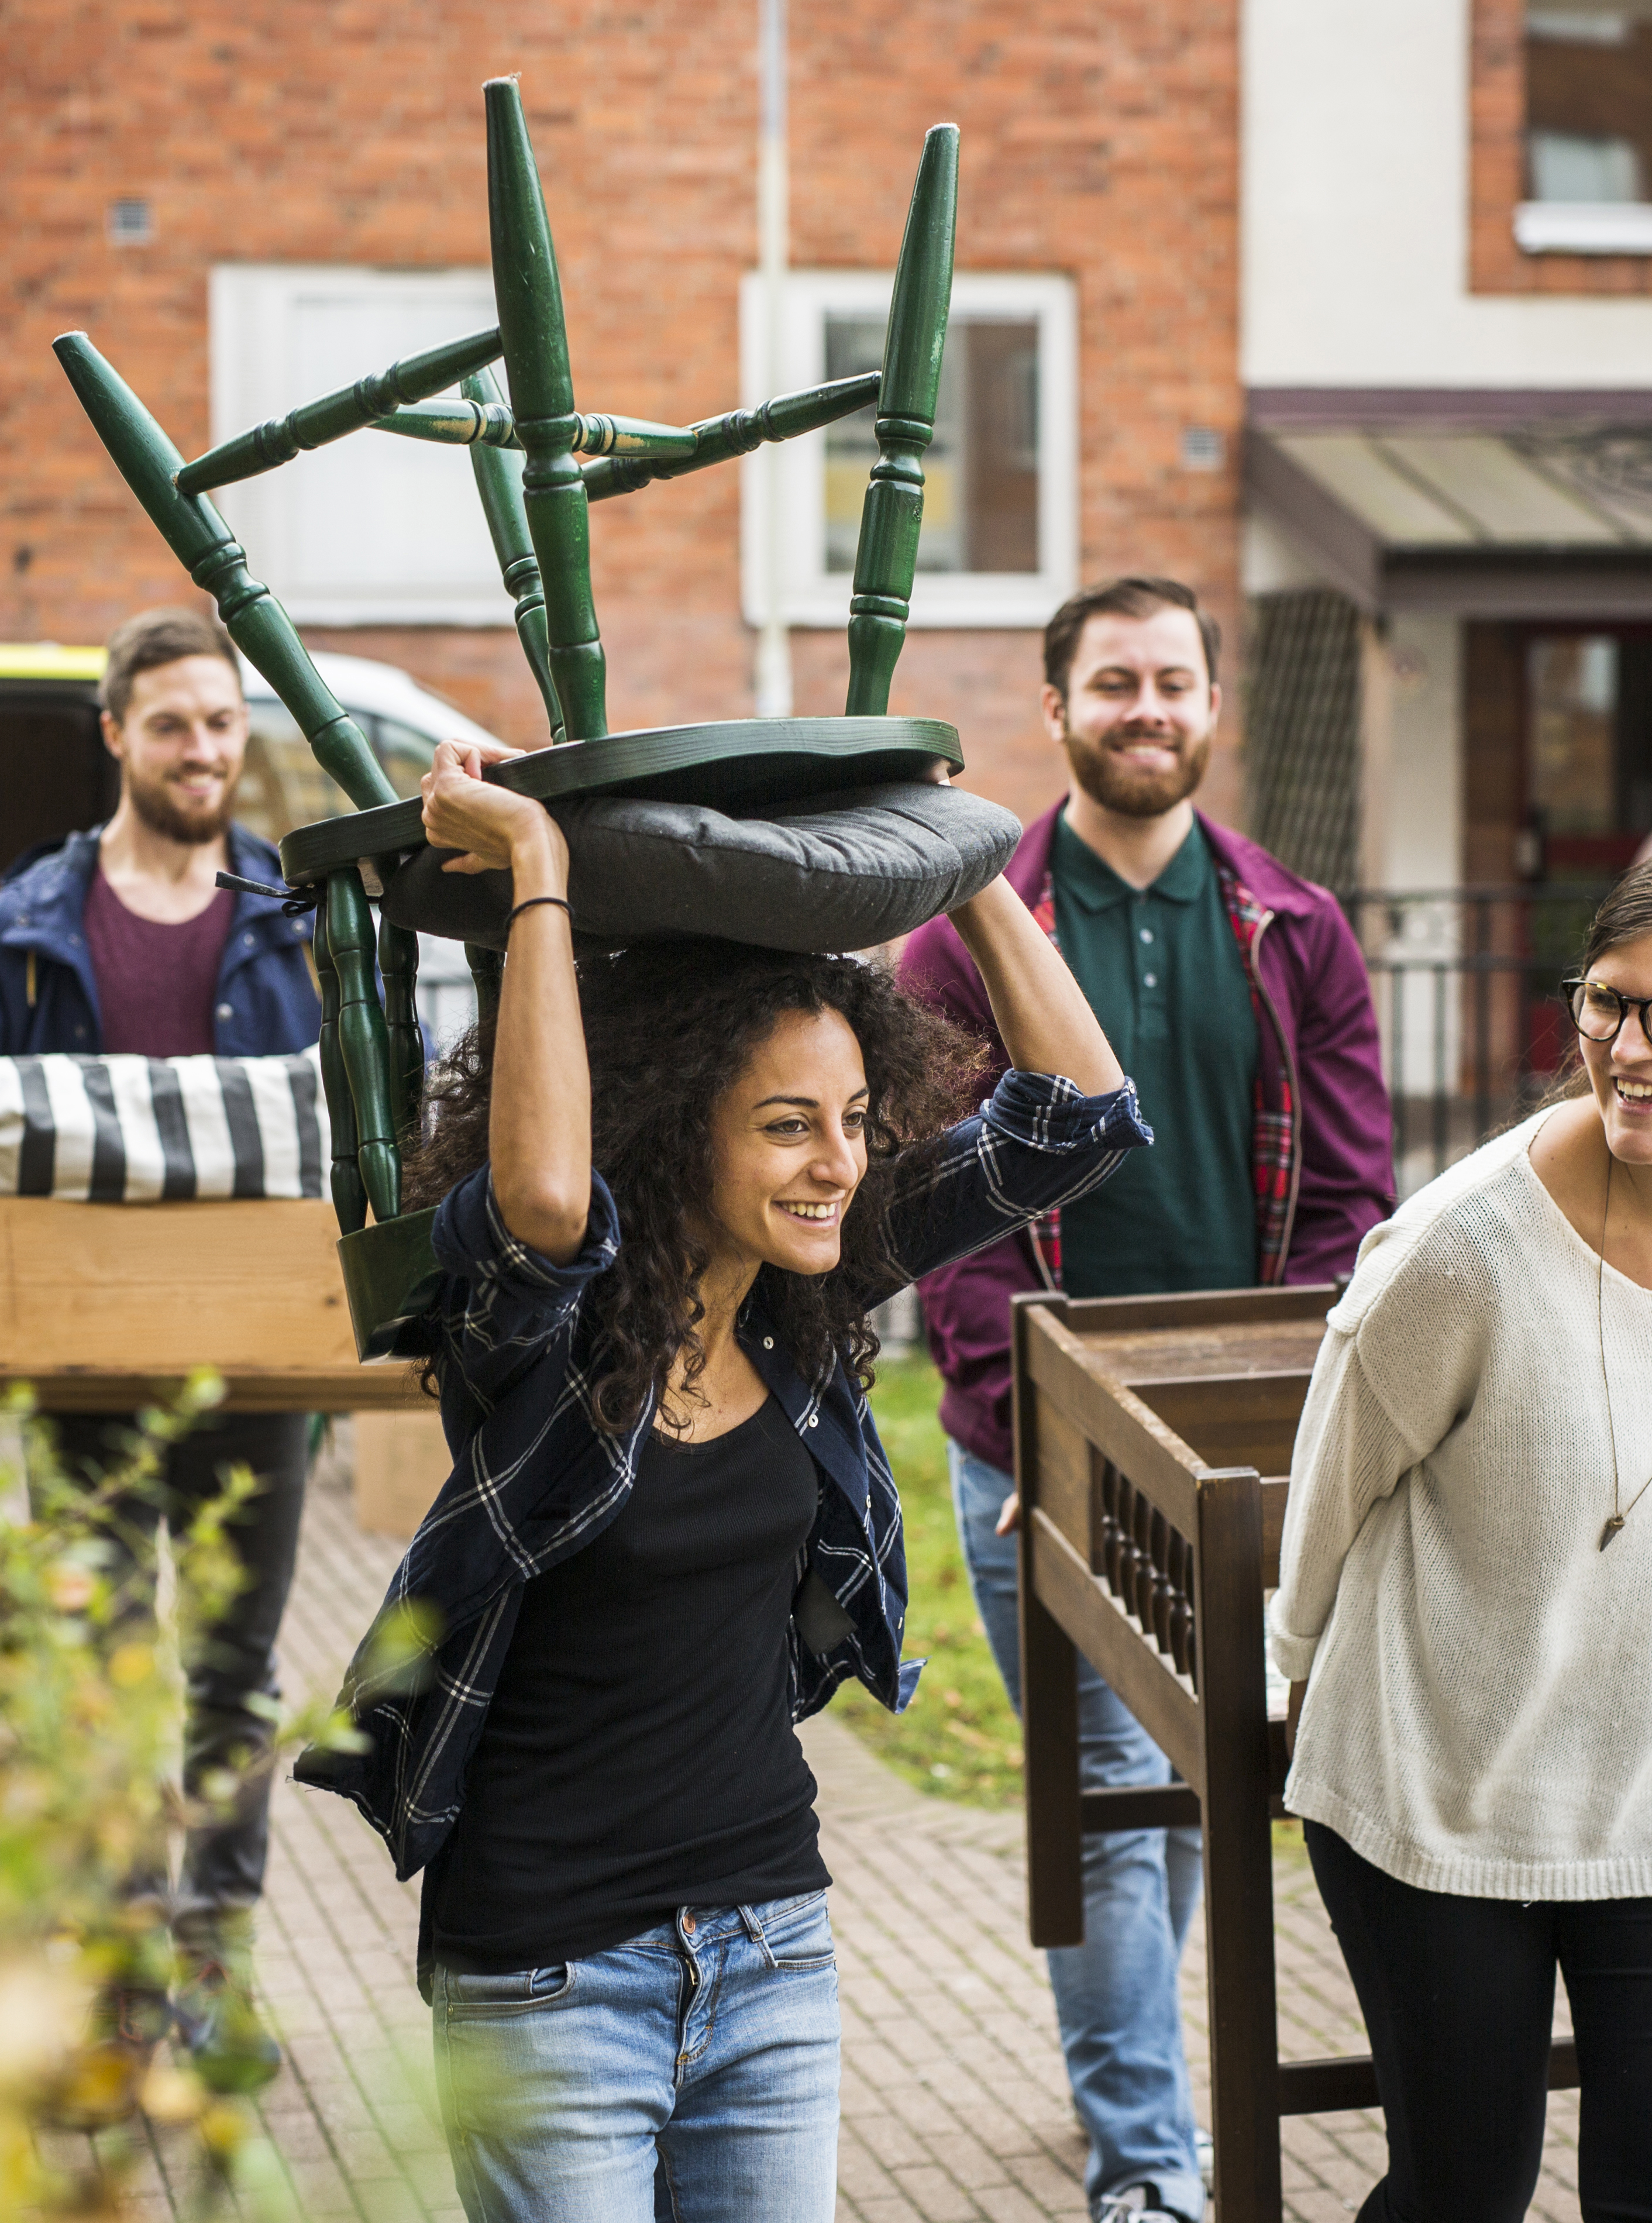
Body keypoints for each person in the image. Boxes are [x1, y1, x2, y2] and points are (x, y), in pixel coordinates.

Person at [297, 736, 1148, 2223]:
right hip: (550, 1975)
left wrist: (962, 857)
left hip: (770, 1947)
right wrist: (541, 874)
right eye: (785, 1123)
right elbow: (550, 1198)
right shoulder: (532, 1337)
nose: (840, 1162)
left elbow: (1072, 1118)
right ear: (673, 1117)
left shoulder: (800, 1300)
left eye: (857, 1119)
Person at [1265, 839, 1652, 2223]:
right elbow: (1336, 1475)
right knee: (1462, 2191)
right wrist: (1291, 1661)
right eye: (1607, 1000)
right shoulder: (1462, 1245)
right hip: (1445, 1787)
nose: (1626, 1045)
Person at [896, 575, 1395, 2223]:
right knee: (1115, 1809)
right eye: (1112, 683)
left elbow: (1347, 1197)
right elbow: (945, 1217)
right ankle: (1149, 2167)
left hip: (1242, 1459)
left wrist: (1301, 1402)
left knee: (1186, 1801)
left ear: (1210, 705)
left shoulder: (1293, 929)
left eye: (1172, 681)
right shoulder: (963, 935)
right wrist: (1027, 1413)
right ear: (1054, 712)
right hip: (1039, 1450)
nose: (1146, 711)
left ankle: (1136, 2088)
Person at [0, 603, 320, 2043]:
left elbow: (394, 1105)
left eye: (222, 721)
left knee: (233, 1674)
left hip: (265, 1362)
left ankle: (218, 1960)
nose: (205, 749)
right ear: (116, 733)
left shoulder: (295, 920)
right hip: (77, 1368)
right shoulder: (22, 932)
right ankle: (127, 1956)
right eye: (176, 722)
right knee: (106, 1665)